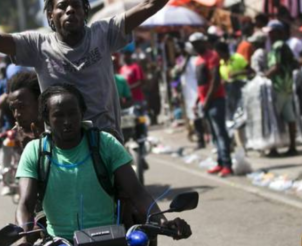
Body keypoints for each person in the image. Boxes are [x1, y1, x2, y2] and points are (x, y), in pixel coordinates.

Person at [0, 0, 201, 136]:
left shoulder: (103, 33)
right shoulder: (37, 46)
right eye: (62, 7)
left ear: (85, 12)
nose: (70, 10)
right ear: (50, 16)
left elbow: (150, 4)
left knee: (129, 190)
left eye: (76, 5)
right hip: (61, 148)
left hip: (106, 139)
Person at [14, 84, 192, 244]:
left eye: (72, 113)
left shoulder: (105, 143)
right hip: (59, 242)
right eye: (58, 115)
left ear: (82, 112)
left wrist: (162, 221)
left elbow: (137, 192)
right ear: (47, 119)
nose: (67, 121)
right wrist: (23, 236)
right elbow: (26, 204)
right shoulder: (35, 151)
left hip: (109, 239)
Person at [189, 33, 233, 177]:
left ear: (203, 42)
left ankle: (227, 164)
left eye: (197, 43)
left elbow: (215, 80)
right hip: (205, 102)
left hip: (216, 100)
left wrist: (207, 100)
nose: (195, 46)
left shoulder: (212, 56)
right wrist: (198, 101)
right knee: (214, 134)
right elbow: (201, 84)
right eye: (193, 44)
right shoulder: (198, 60)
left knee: (220, 132)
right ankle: (220, 163)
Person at [264, 20, 298, 156]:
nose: (269, 36)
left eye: (271, 33)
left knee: (274, 117)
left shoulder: (277, 46)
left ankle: (274, 148)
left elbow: (276, 66)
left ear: (278, 32)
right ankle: (292, 147)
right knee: (290, 117)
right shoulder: (285, 45)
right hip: (287, 86)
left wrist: (264, 76)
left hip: (278, 86)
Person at [215, 41, 250, 120]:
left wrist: (237, 73)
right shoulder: (221, 63)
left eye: (218, 53)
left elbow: (251, 71)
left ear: (223, 52)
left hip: (242, 91)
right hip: (230, 95)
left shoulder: (237, 58)